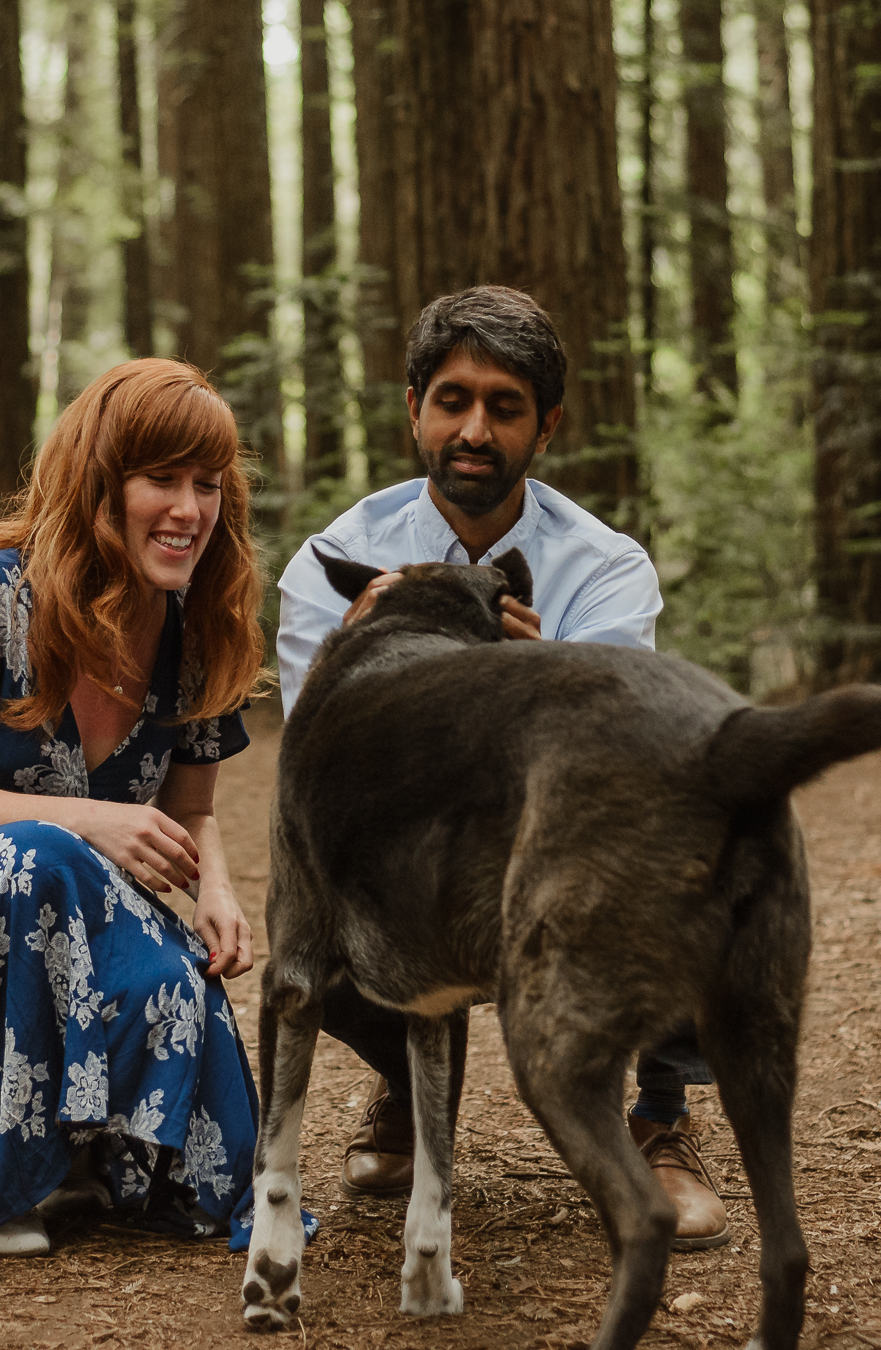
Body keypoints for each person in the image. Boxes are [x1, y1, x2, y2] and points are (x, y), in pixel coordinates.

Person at [273, 284, 731, 1250]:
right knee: (320, 883)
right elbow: (317, 780)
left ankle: (654, 1120)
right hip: (407, 874)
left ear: (547, 425)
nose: (474, 428)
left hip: (556, 869)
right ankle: (404, 1082)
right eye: (452, 399)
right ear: (414, 409)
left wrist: (517, 677)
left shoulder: (604, 568)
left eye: (505, 406)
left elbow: (621, 772)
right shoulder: (338, 560)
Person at [0, 359, 270, 1257]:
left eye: (207, 484)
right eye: (161, 479)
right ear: (98, 481)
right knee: (30, 854)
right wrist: (88, 818)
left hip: (85, 940)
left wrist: (217, 891)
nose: (189, 509)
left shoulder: (201, 627)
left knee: (185, 1004)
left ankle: (84, 1152)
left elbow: (196, 813)